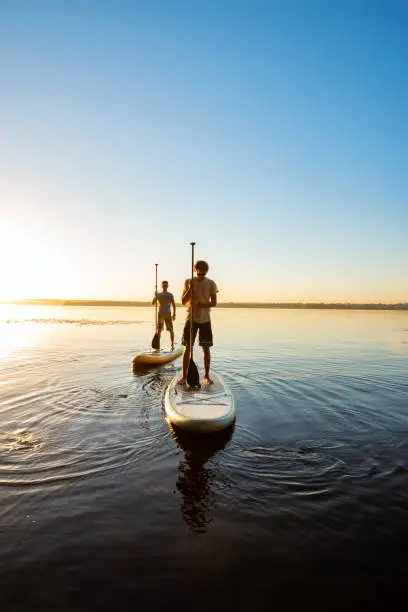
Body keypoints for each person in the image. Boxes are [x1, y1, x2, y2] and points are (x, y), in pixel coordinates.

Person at [177, 260, 218, 386]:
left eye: (203, 269)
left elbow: (214, 302)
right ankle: (184, 376)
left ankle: (206, 376)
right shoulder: (188, 282)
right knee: (187, 348)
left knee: (206, 349)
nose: (201, 271)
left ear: (206, 270)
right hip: (191, 319)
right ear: (195, 269)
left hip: (205, 320)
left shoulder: (211, 283)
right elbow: (183, 301)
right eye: (198, 269)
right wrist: (189, 290)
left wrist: (203, 304)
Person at [152, 281, 176, 349]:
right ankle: (158, 346)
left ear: (167, 286)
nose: (165, 286)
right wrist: (155, 296)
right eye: (163, 285)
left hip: (168, 314)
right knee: (159, 330)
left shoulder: (170, 294)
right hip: (161, 314)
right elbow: (153, 303)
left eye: (166, 285)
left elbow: (174, 304)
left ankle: (172, 344)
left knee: (171, 329)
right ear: (162, 286)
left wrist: (174, 314)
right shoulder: (159, 294)